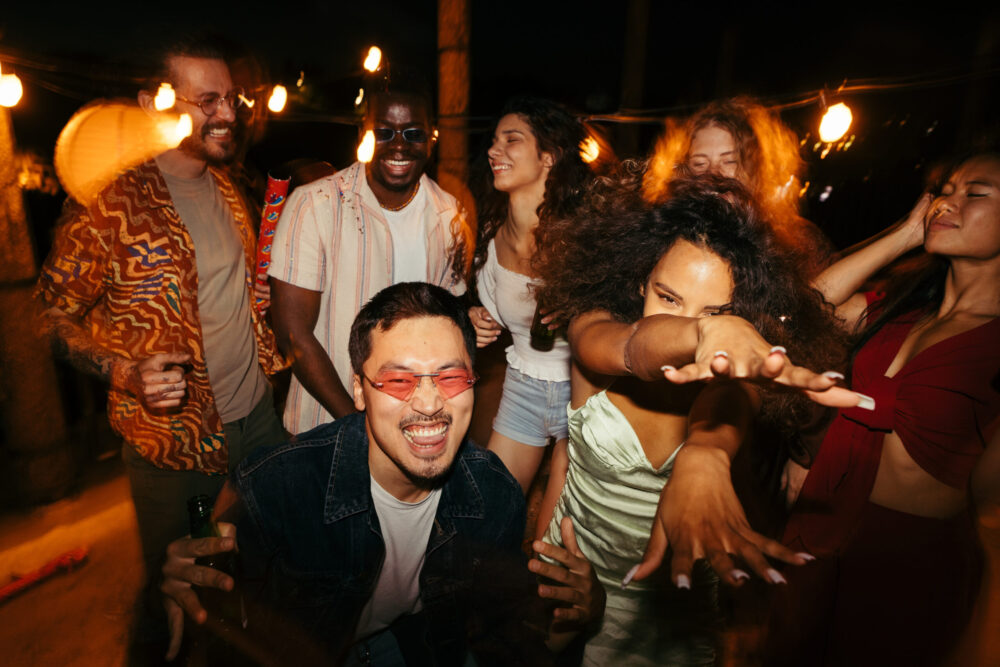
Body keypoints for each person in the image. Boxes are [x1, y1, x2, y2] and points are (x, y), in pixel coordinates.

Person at [160, 282, 605, 665]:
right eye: (398, 381)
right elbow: (220, 621)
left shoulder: (494, 496)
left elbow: (502, 640)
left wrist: (577, 615)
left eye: (449, 378)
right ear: (359, 391)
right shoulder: (279, 488)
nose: (429, 404)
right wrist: (176, 591)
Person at [532, 171, 854, 665]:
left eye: (715, 312)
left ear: (743, 316)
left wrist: (704, 458)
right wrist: (705, 333)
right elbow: (631, 348)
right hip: (572, 578)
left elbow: (723, 412)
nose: (687, 320)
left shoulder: (734, 381)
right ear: (640, 280)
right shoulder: (594, 328)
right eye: (668, 297)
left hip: (671, 618)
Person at [34, 34, 286, 660]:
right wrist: (123, 369)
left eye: (231, 98)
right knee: (179, 598)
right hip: (175, 449)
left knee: (258, 573)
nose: (227, 114)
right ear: (155, 103)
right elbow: (49, 314)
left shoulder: (231, 189)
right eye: (208, 101)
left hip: (257, 422)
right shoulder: (108, 203)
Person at [767, 150, 1000, 666]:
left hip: (911, 560)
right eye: (945, 190)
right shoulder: (898, 307)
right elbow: (802, 312)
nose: (945, 203)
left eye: (975, 193)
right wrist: (903, 235)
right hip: (823, 524)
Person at [268, 72, 473, 435]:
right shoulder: (315, 205)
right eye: (384, 132)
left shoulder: (449, 216)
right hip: (325, 430)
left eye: (413, 133)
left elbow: (448, 331)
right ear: (365, 134)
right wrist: (358, 425)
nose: (398, 145)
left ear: (432, 138)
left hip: (417, 428)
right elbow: (293, 334)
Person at [467, 96, 593, 499]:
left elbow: (629, 313)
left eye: (512, 139)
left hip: (587, 394)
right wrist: (473, 319)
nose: (493, 150)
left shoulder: (584, 235)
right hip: (524, 386)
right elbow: (489, 310)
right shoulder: (490, 235)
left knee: (560, 531)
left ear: (549, 157)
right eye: (493, 140)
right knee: (492, 506)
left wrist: (581, 310)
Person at [643, 96, 833, 278]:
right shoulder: (667, 232)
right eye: (700, 164)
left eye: (729, 161)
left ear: (754, 168)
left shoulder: (799, 240)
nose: (714, 173)